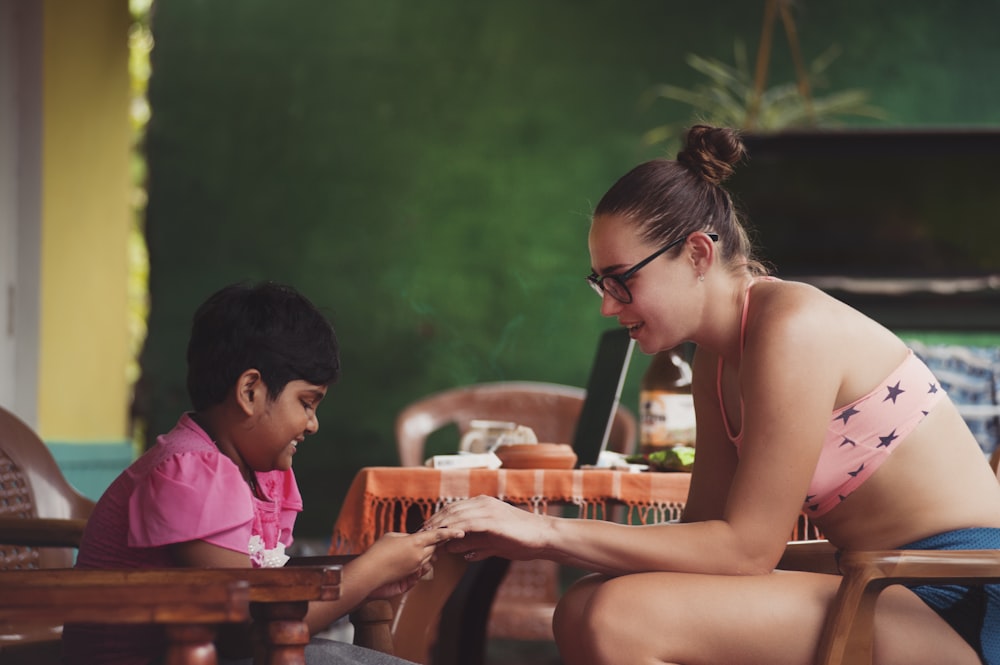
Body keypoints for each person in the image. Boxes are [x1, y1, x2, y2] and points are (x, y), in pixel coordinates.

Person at [423, 126, 1000, 665]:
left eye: (623, 279)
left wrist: (546, 532)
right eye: (600, 283)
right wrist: (538, 538)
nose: (607, 304)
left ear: (698, 254)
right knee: (582, 606)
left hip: (960, 599)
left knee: (617, 615)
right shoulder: (718, 359)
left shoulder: (791, 327)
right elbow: (705, 532)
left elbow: (745, 551)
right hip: (883, 581)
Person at [64, 281, 461, 665]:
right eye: (307, 403)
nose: (313, 424)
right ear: (250, 391)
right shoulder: (191, 473)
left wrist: (368, 576)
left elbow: (268, 589)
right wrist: (368, 572)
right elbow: (247, 631)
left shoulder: (251, 471)